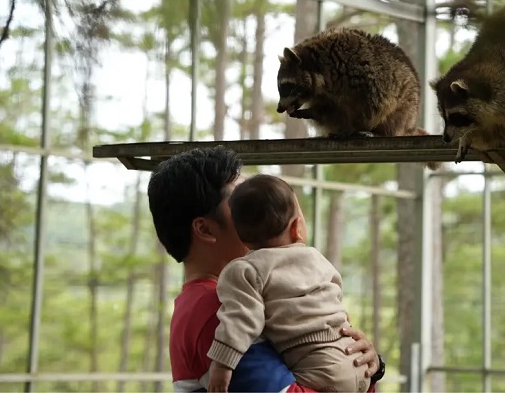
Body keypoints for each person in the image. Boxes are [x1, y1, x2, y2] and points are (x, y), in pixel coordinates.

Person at [147, 147, 385, 392]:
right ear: (205, 229)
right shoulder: (216, 312)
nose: (263, 209)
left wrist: (368, 367)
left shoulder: (256, 291)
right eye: (243, 202)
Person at [206, 174, 370, 393]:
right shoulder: (316, 257)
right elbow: (335, 294)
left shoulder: (245, 270)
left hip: (316, 369)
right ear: (296, 228)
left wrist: (222, 363)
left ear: (242, 238)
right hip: (356, 360)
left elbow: (241, 318)